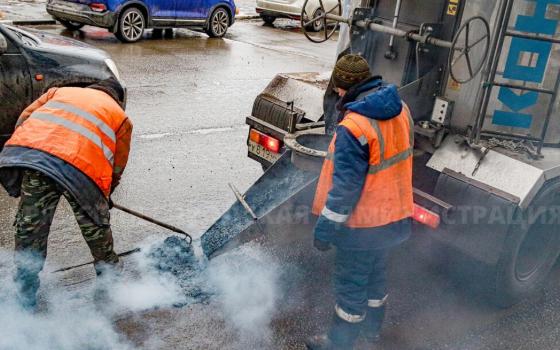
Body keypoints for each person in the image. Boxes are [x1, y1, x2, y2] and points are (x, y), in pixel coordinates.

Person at [306, 55, 414, 349]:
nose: (338, 94)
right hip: (393, 217)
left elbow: (345, 190)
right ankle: (372, 332)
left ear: (344, 87)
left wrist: (324, 230)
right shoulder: (401, 109)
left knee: (351, 285)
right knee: (376, 279)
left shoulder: (353, 127)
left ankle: (339, 343)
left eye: (338, 89)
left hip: (363, 226)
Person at [0, 78, 133, 309]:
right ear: (117, 98)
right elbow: (118, 165)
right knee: (95, 228)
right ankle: (110, 284)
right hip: (82, 174)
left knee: (30, 228)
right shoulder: (120, 117)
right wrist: (106, 193)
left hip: (36, 161)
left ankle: (24, 293)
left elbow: (24, 118)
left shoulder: (57, 93)